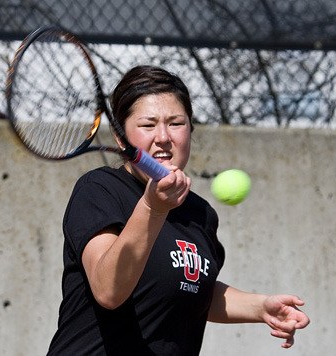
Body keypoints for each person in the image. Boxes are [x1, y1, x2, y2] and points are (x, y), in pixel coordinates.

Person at [47, 65, 310, 355]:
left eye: (176, 123)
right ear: (121, 139)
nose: (163, 137)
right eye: (148, 125)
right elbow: (109, 290)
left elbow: (190, 288)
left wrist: (261, 307)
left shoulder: (201, 213)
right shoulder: (100, 190)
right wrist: (152, 208)